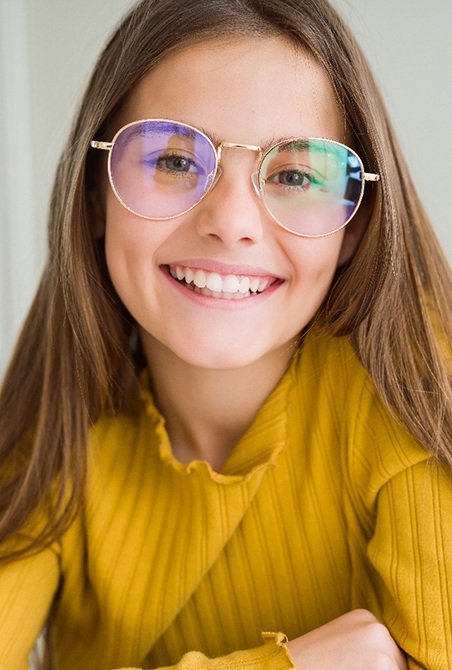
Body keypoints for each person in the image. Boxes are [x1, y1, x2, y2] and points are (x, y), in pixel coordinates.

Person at [0, 0, 451, 668]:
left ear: (355, 224)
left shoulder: (413, 388)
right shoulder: (55, 428)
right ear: (94, 195)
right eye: (175, 161)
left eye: (296, 174)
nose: (232, 221)